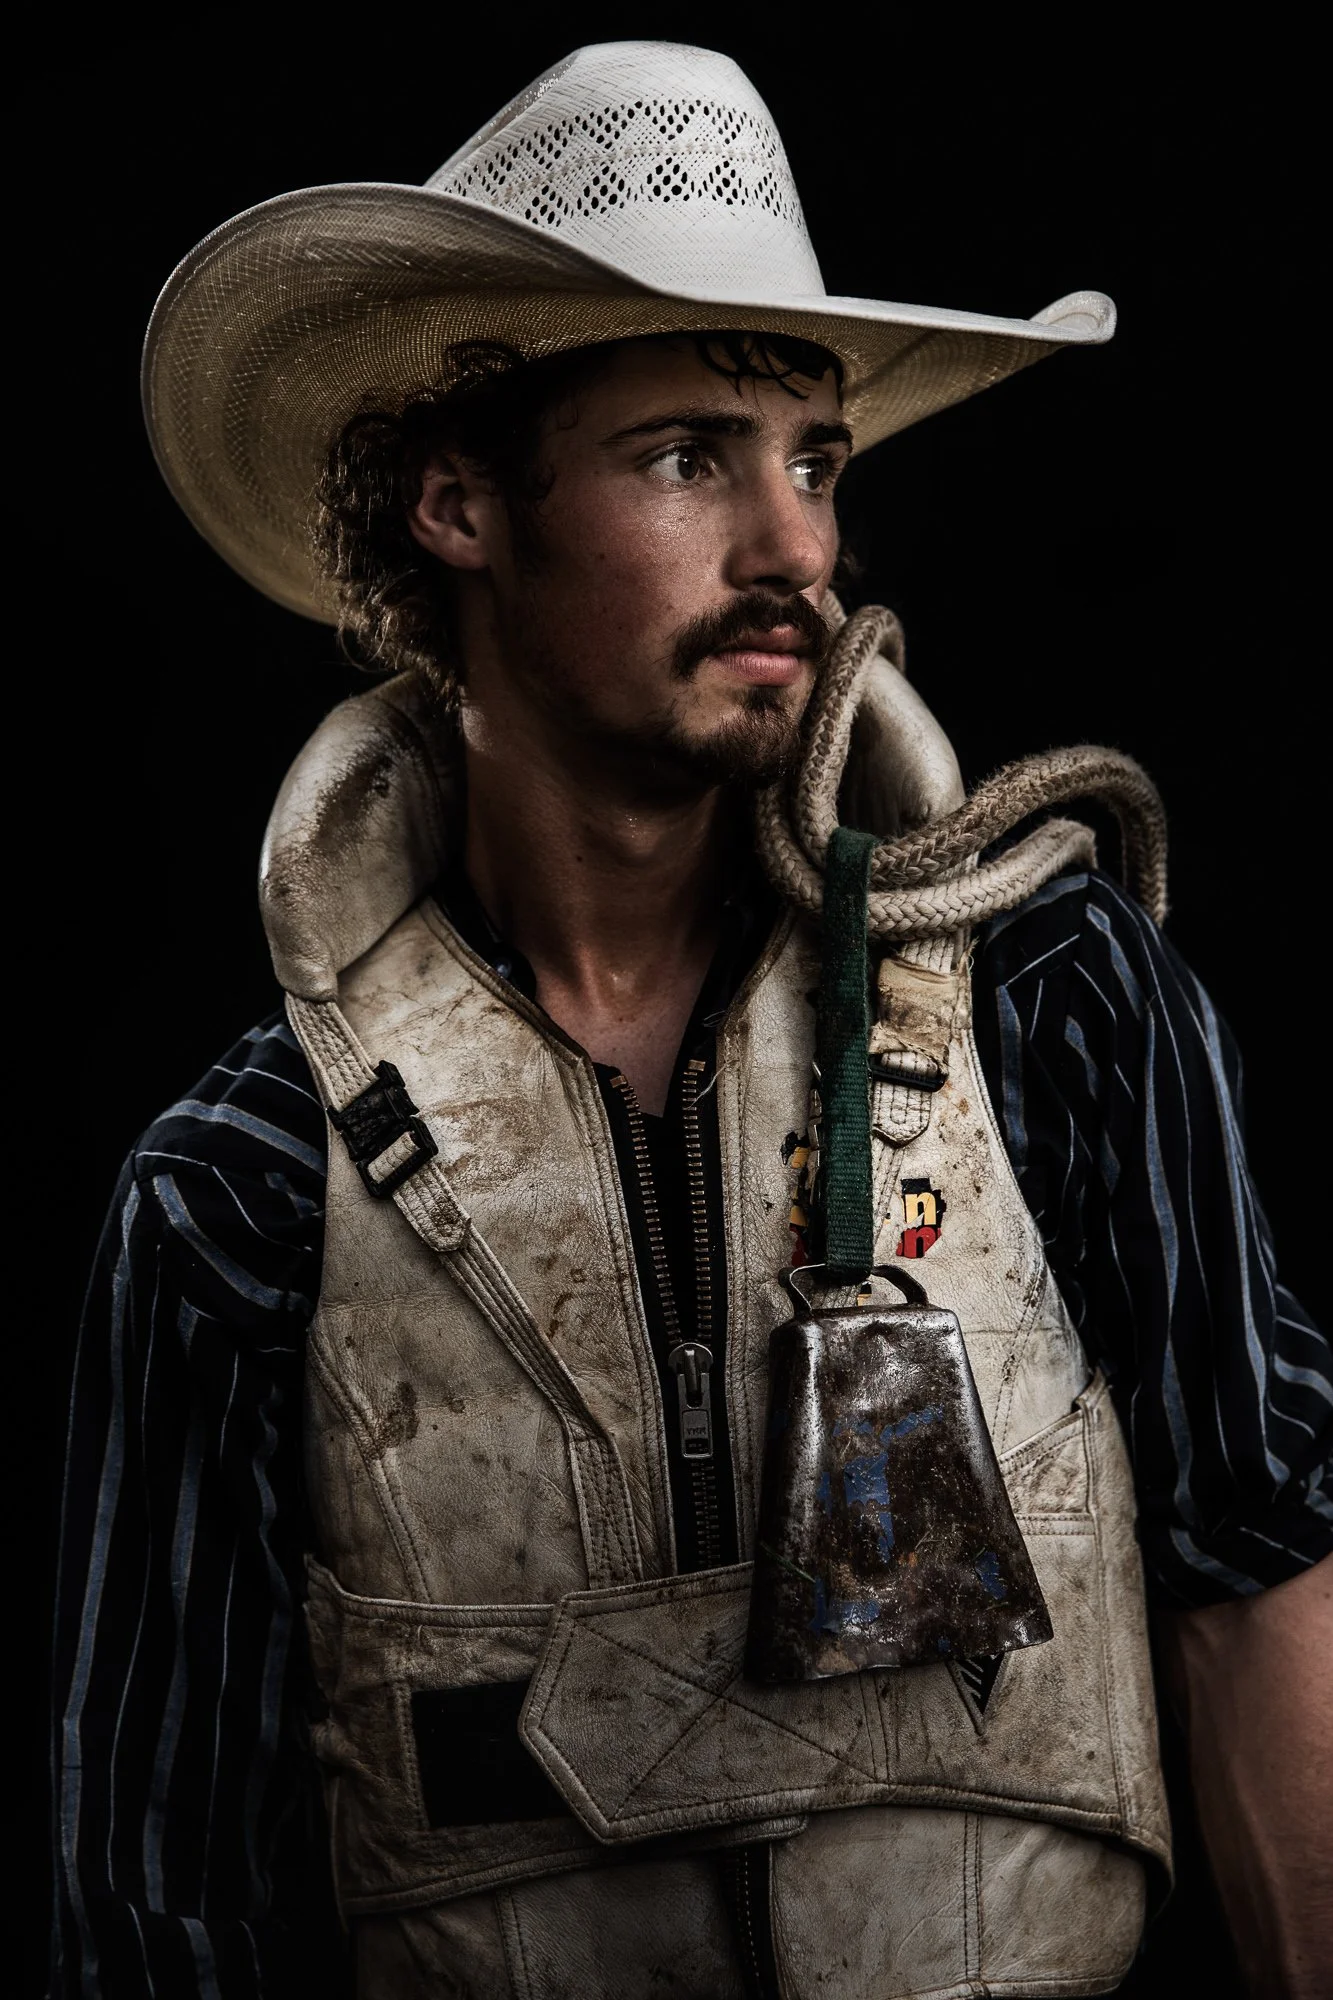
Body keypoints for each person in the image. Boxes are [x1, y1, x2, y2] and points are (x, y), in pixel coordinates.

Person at [52, 39, 1329, 2000]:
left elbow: (1255, 1585)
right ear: (456, 502)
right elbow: (162, 1899)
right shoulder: (233, 1195)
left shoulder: (1062, 1003)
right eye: (688, 458)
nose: (796, 550)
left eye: (816, 459)